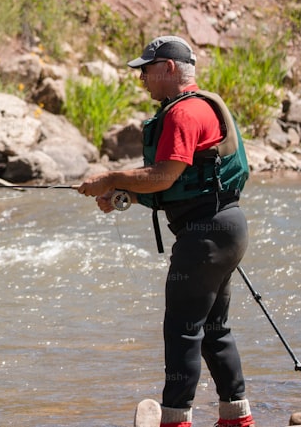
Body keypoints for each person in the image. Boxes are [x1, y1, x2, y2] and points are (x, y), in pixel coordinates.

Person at [74, 36, 254, 427]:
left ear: (169, 68)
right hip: (225, 228)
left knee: (182, 329)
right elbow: (179, 188)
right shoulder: (197, 107)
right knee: (213, 329)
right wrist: (124, 196)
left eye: (146, 70)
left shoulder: (184, 113)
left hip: (205, 238)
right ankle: (237, 418)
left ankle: (175, 420)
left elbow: (162, 176)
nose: (142, 80)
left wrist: (108, 177)